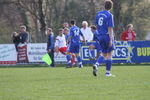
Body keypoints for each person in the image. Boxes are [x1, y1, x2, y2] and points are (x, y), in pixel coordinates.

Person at [93, 0, 115, 77]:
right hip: (106, 35)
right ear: (111, 7)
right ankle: (107, 73)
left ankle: (96, 64)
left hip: (100, 36)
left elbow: (97, 25)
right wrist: (111, 39)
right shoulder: (110, 15)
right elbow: (110, 28)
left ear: (104, 6)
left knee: (103, 53)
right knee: (109, 54)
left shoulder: (98, 14)